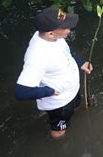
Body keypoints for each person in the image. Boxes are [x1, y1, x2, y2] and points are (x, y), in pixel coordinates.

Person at [15, 7, 92, 139]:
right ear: (51, 33)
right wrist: (48, 92)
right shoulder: (37, 57)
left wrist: (80, 62)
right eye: (66, 27)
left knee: (75, 108)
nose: (69, 30)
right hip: (59, 103)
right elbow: (21, 92)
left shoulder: (53, 37)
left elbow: (66, 52)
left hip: (72, 90)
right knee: (59, 131)